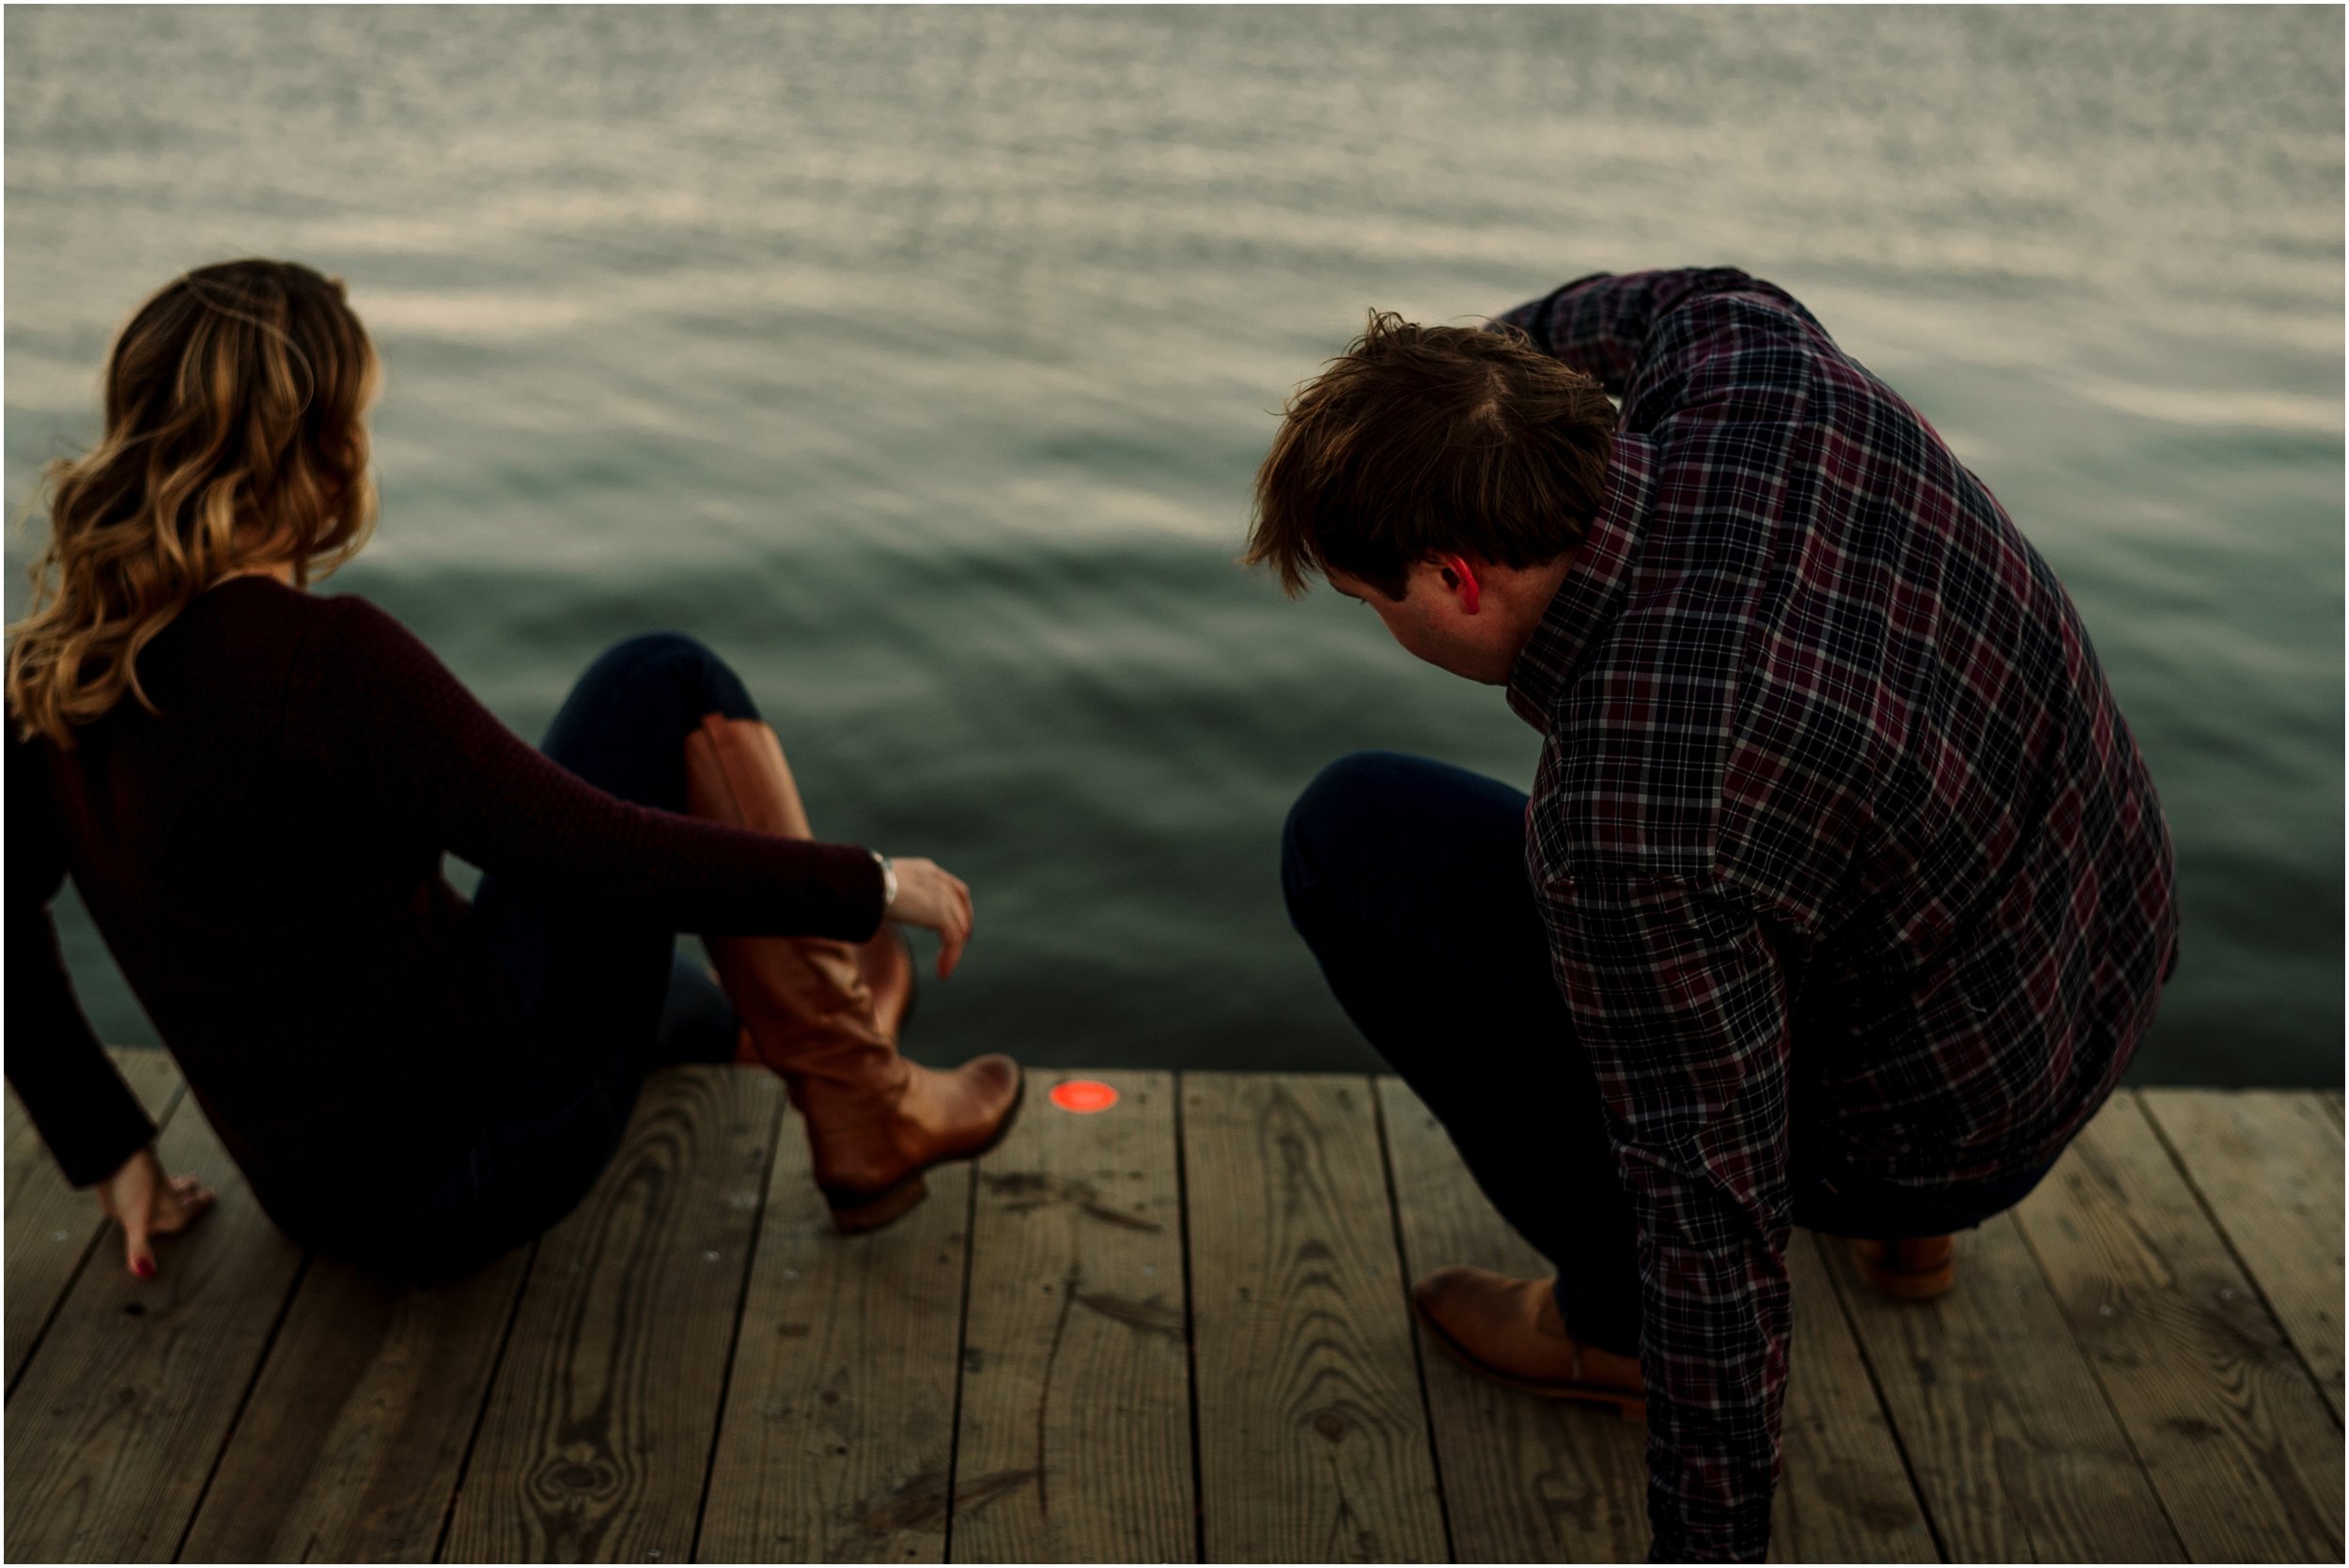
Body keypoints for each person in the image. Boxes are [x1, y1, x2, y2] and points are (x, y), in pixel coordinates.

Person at [1250, 269, 2178, 1562]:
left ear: (1457, 579)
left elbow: (1712, 1212)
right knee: (1811, 808)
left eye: (1373, 601)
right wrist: (1457, 401)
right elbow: (1655, 296)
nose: (1382, 626)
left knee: (1348, 838)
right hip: (2101, 942)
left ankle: (1611, 1320)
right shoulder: (1754, 361)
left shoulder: (1627, 814)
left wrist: (1709, 1544)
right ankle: (1912, 1246)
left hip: (1939, 1130)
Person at [6, 258, 1021, 1283]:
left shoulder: (51, 674)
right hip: (480, 1156)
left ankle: (816, 1036)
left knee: (683, 1004)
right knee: (660, 678)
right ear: (322, 449)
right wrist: (873, 883)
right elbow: (586, 853)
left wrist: (105, 1148)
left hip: (320, 1197)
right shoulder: (320, 663)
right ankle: (863, 1093)